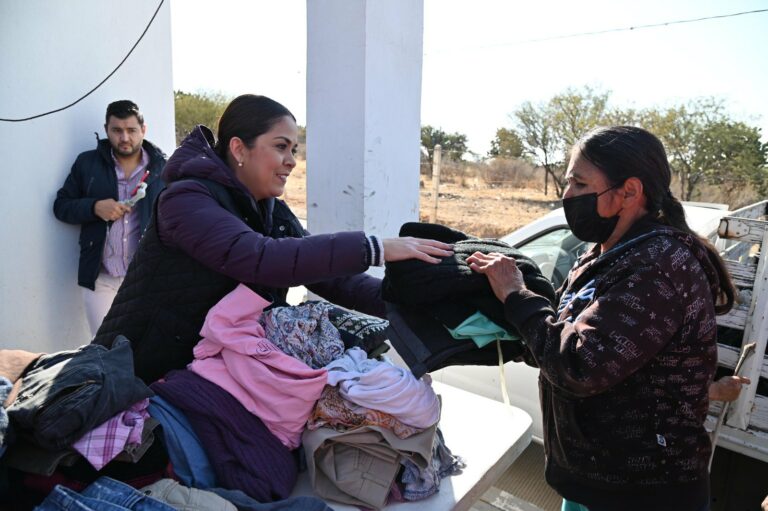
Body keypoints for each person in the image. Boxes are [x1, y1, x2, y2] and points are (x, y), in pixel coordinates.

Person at [93, 94, 452, 384]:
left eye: (294, 149)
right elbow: (260, 258)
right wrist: (374, 248)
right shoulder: (185, 199)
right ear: (239, 149)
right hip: (136, 372)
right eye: (281, 146)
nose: (291, 161)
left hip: (203, 372)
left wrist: (422, 302)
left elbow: (332, 279)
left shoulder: (269, 210)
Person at [467, 125, 735, 511]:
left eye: (579, 183)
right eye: (568, 182)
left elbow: (580, 366)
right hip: (593, 479)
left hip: (642, 495)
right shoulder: (604, 253)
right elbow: (559, 336)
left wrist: (515, 295)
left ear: (629, 191)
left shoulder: (657, 265)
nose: (567, 195)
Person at [54, 100, 166, 336]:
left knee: (144, 349)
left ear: (143, 130)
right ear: (106, 130)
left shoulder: (164, 169)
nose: (124, 138)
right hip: (101, 279)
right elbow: (61, 207)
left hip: (146, 279)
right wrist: (94, 207)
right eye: (117, 130)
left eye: (131, 130)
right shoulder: (87, 163)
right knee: (104, 349)